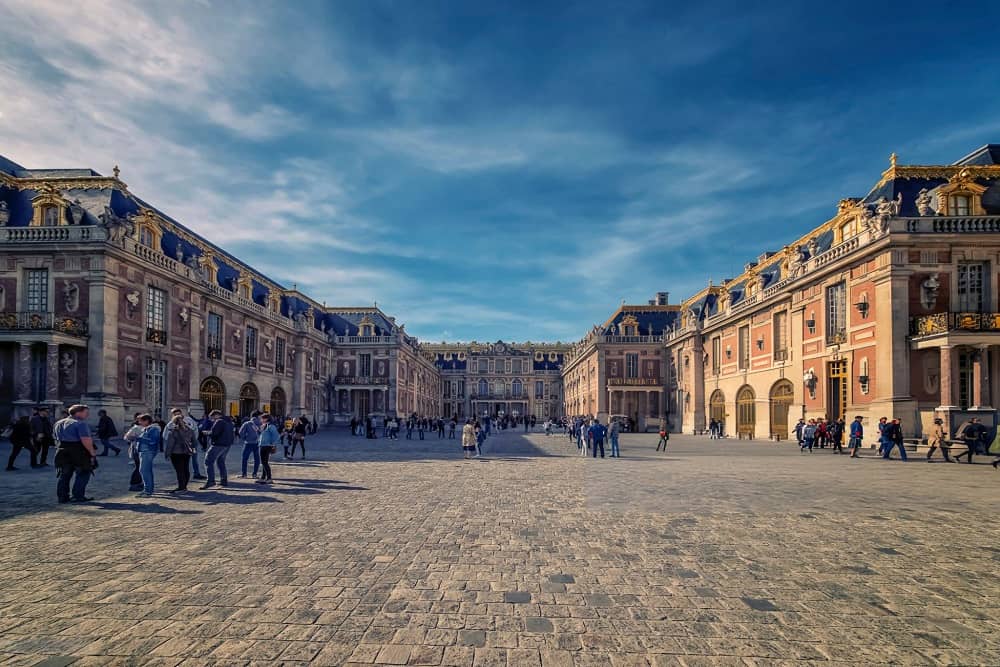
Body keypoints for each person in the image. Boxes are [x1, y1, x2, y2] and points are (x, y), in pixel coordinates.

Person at [53, 404, 97, 503]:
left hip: (62, 450)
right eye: (86, 413)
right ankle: (77, 496)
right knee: (83, 473)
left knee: (64, 475)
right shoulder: (80, 424)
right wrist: (92, 453)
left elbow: (55, 438)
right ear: (78, 412)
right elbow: (85, 439)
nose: (87, 415)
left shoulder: (58, 423)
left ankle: (62, 497)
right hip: (78, 451)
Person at [202, 410, 234, 489]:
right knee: (220, 461)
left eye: (212, 417)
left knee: (208, 461)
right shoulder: (229, 421)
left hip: (218, 444)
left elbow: (214, 433)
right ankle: (223, 480)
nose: (212, 420)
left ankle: (211, 481)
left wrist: (206, 433)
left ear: (216, 415)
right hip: (227, 445)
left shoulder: (219, 421)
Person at [164, 413, 195, 492]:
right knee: (186, 469)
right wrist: (192, 449)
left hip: (176, 452)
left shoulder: (174, 431)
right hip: (186, 452)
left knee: (179, 470)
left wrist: (167, 454)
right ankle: (184, 486)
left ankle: (181, 487)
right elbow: (194, 441)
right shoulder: (190, 430)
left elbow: (170, 444)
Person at [133, 414, 161, 498]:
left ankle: (147, 490)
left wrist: (139, 438)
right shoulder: (146, 429)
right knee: (146, 470)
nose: (139, 422)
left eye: (141, 420)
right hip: (144, 451)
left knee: (144, 470)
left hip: (148, 451)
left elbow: (153, 441)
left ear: (146, 421)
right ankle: (148, 489)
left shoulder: (153, 429)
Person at [256, 413, 280, 484]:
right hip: (262, 445)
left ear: (266, 419)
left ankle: (269, 478)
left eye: (262, 418)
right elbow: (262, 435)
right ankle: (263, 478)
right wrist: (258, 431)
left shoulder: (271, 426)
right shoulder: (264, 426)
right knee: (263, 462)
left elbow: (276, 436)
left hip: (267, 445)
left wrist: (274, 444)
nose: (260, 420)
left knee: (264, 462)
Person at [239, 412, 261, 478]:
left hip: (248, 443)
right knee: (257, 459)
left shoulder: (247, 423)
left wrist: (245, 438)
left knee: (245, 459)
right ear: (258, 416)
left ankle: (244, 474)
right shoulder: (261, 423)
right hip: (257, 443)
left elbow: (240, 432)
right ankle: (254, 474)